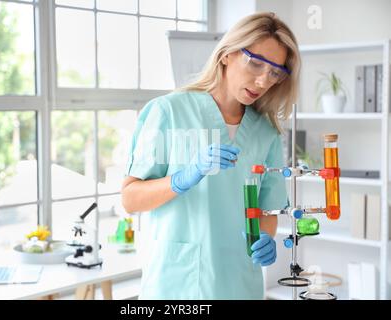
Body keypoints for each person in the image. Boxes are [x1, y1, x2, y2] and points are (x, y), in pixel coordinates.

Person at [121, 12, 301, 299]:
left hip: (239, 283)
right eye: (255, 63)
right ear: (227, 54)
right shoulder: (167, 112)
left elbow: (267, 208)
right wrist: (181, 179)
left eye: (275, 73)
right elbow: (130, 199)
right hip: (177, 284)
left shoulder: (265, 131)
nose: (263, 81)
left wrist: (265, 237)